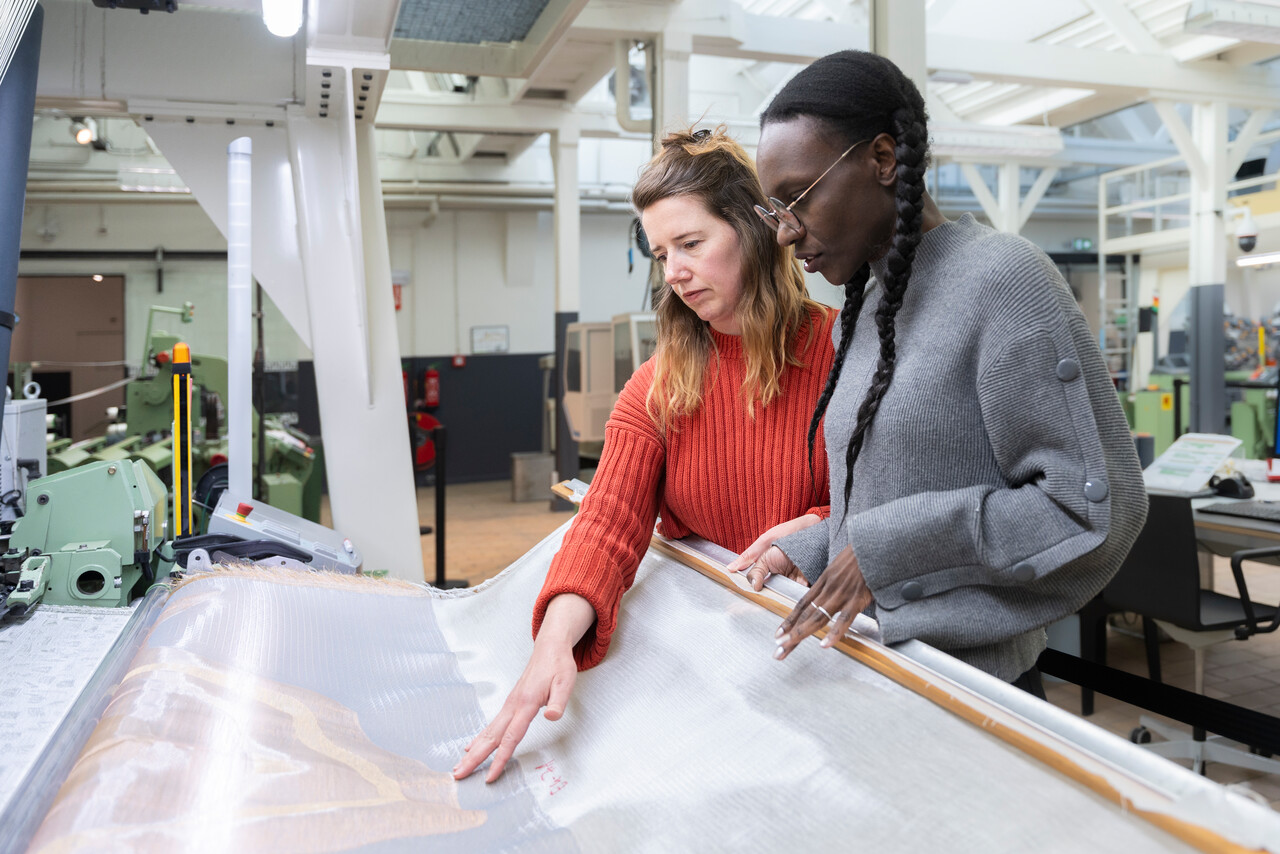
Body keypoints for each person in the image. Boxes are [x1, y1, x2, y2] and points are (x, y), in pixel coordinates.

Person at [739, 51, 1147, 696]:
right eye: (775, 209)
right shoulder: (865, 309)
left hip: (977, 691)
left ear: (882, 159)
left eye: (798, 199)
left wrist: (882, 553)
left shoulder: (1004, 281)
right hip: (878, 669)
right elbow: (895, 491)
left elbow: (1089, 510)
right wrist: (817, 548)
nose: (787, 233)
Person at [454, 128, 839, 782]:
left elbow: (897, 505)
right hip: (714, 670)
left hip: (826, 668)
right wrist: (552, 643)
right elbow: (608, 524)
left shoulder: (845, 354)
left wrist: (822, 530)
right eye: (662, 254)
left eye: (691, 244)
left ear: (752, 230)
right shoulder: (661, 384)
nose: (676, 271)